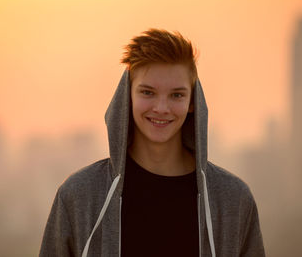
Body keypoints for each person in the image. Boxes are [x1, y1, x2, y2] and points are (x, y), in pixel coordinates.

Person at [39, 28, 265, 257]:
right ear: (128, 96)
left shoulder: (233, 200)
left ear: (192, 102)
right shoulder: (80, 196)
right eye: (148, 92)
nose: (161, 108)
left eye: (177, 95)